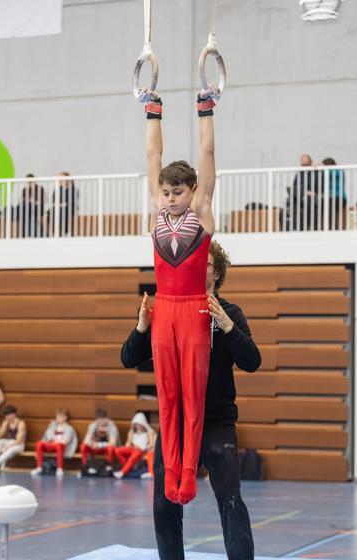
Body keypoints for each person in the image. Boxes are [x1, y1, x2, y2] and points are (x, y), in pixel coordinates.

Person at [121, 240, 261, 560]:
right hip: (175, 426)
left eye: (205, 263)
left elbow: (252, 362)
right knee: (164, 503)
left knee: (230, 500)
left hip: (216, 424)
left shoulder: (229, 311)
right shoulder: (166, 312)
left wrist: (228, 326)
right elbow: (127, 358)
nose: (196, 267)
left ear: (217, 273)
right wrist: (142, 327)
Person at [140, 81, 219, 505]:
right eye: (167, 192)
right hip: (165, 308)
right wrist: (153, 109)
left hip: (193, 310)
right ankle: (170, 469)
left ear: (192, 191)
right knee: (167, 395)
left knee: (193, 393)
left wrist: (205, 108)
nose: (170, 198)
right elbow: (153, 154)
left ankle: (190, 471)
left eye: (178, 192)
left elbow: (207, 156)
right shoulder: (157, 205)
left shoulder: (201, 210)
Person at [31, 409, 78, 478]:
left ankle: (60, 468)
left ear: (65, 417)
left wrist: (57, 441)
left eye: (61, 417)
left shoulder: (69, 428)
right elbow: (48, 438)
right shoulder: (52, 427)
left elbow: (66, 441)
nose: (59, 419)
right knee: (39, 444)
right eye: (57, 417)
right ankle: (39, 467)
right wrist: (51, 427)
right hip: (51, 444)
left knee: (59, 445)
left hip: (60, 446)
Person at [113, 412, 155, 479]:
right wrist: (128, 444)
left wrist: (143, 447)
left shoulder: (149, 432)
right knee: (118, 450)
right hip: (133, 448)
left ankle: (123, 472)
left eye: (139, 424)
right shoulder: (131, 432)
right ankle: (128, 467)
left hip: (142, 450)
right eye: (136, 424)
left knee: (135, 455)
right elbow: (128, 443)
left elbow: (151, 444)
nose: (138, 426)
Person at [285, 154, 320, 230]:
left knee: (308, 200)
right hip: (299, 196)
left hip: (313, 196)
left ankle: (309, 226)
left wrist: (312, 193)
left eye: (306, 164)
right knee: (290, 201)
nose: (304, 167)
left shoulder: (317, 173)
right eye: (303, 165)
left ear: (311, 163)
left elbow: (321, 188)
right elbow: (294, 186)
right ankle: (295, 226)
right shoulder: (299, 174)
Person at [0, 405, 26, 470]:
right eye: (6, 416)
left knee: (10, 450)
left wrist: (6, 447)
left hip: (19, 445)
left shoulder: (21, 423)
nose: (7, 417)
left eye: (8, 415)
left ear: (14, 414)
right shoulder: (6, 422)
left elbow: (19, 441)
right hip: (9, 442)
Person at [45, 172, 78, 236]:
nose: (60, 180)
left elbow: (70, 202)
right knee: (48, 213)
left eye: (62, 178)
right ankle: (53, 233)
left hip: (69, 208)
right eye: (59, 178)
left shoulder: (73, 189)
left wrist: (62, 204)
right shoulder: (57, 190)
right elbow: (54, 201)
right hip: (57, 208)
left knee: (62, 212)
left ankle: (64, 232)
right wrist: (60, 204)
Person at [321, 157, 347, 229]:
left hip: (339, 197)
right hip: (330, 197)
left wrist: (321, 168)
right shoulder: (327, 172)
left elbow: (331, 172)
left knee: (329, 205)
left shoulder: (339, 171)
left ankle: (333, 228)